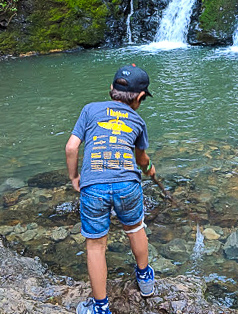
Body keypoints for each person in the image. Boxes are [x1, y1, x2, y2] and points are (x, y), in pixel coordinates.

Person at [65, 64, 156, 314]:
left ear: (110, 89)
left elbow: (71, 148)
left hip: (93, 185)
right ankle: (145, 280)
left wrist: (74, 177)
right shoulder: (138, 120)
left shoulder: (90, 110)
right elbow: (141, 159)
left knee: (96, 245)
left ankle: (101, 307)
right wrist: (150, 168)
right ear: (139, 98)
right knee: (135, 228)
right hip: (128, 184)